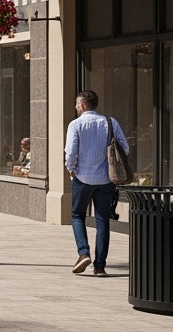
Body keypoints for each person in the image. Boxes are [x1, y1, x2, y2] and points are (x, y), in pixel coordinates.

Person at [65, 90, 128, 277]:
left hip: (82, 177)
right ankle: (100, 266)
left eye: (77, 104)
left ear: (83, 105)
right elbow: (124, 147)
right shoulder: (110, 122)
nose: (76, 107)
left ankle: (83, 253)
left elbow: (70, 152)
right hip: (106, 179)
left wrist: (71, 168)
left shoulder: (75, 125)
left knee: (77, 216)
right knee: (102, 221)